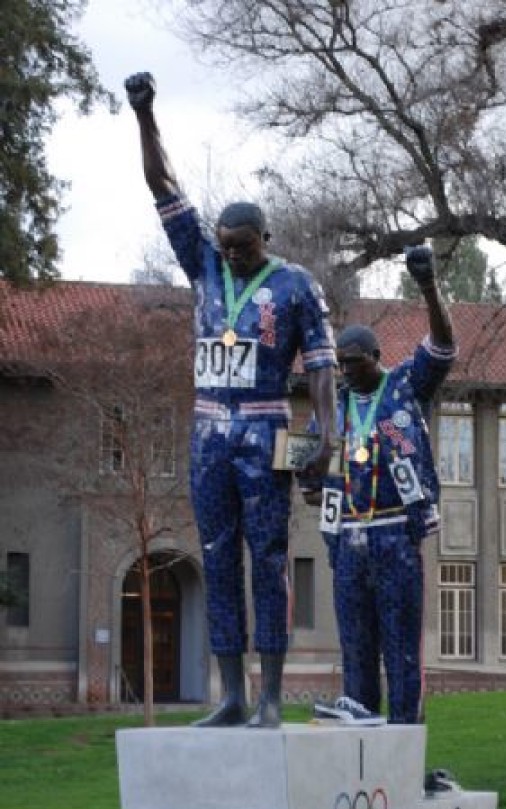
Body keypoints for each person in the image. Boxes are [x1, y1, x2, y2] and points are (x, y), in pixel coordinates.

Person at [125, 72, 336, 728]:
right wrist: (146, 113)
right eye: (225, 247)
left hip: (269, 425)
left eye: (242, 247)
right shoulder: (205, 266)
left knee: (268, 557)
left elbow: (324, 370)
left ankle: (271, 695)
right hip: (210, 429)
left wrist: (323, 437)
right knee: (216, 555)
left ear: (264, 239)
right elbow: (163, 185)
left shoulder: (298, 286)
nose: (232, 256)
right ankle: (231, 694)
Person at [311, 245, 455, 725]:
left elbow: (441, 348)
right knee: (355, 640)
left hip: (395, 532)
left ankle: (404, 733)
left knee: (400, 644)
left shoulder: (404, 387)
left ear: (376, 357)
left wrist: (429, 288)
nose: (346, 371)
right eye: (340, 364)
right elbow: (304, 457)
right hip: (347, 537)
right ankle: (360, 723)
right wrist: (297, 475)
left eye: (354, 362)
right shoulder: (334, 406)